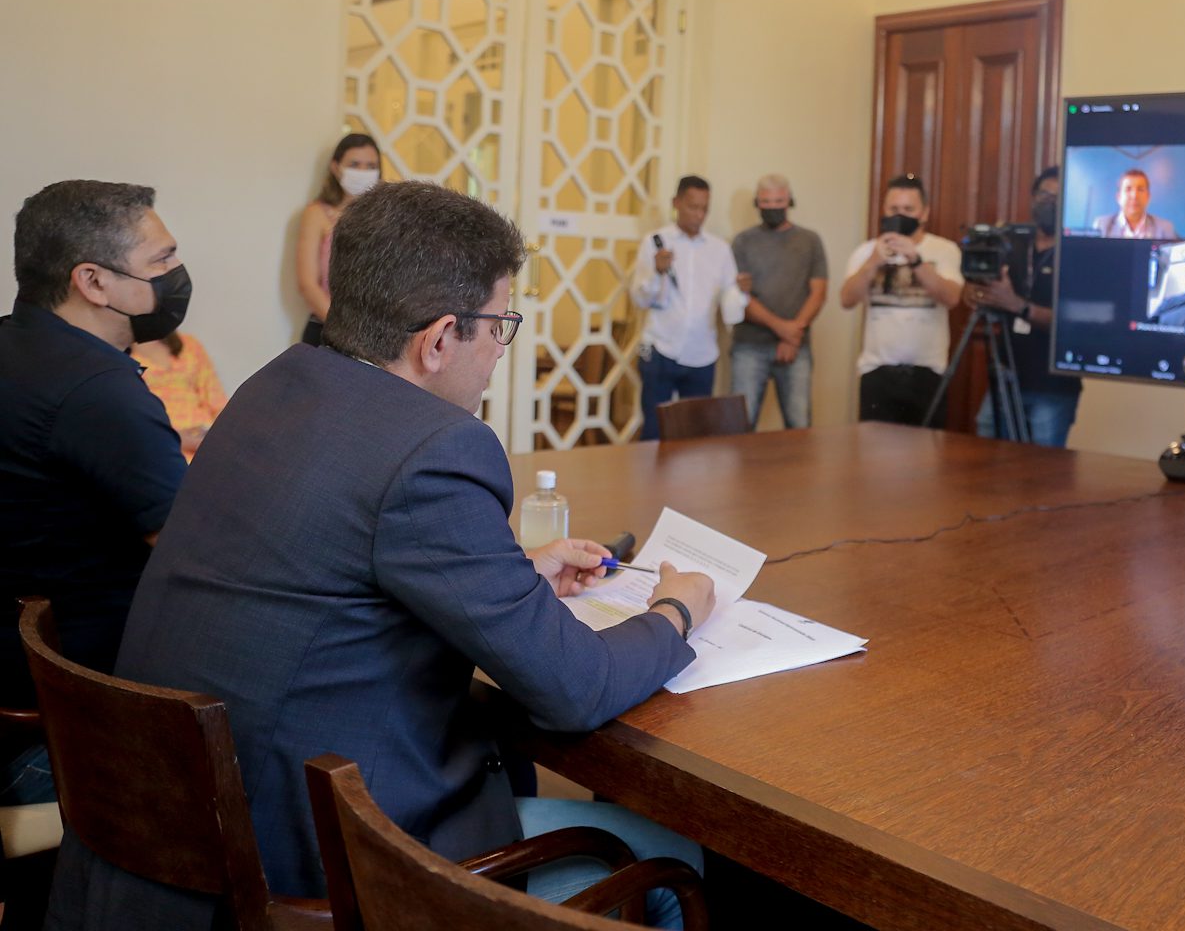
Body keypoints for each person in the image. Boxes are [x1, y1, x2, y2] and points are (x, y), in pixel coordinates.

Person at [48, 181, 717, 929]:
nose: (501, 349)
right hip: (318, 859)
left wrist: (516, 574)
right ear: (437, 340)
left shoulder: (276, 385)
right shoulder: (435, 450)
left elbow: (326, 565)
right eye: (501, 326)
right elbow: (574, 689)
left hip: (173, 831)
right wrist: (678, 607)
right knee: (674, 856)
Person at [0, 180, 188, 806]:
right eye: (160, 261)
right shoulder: (96, 392)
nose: (176, 276)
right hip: (70, 712)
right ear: (94, 281)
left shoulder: (13, 344)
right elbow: (190, 553)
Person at [963, 166, 1082, 447]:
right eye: (1043, 194)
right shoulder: (1012, 244)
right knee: (989, 447)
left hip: (1052, 385)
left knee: (1040, 470)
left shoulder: (1077, 253)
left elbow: (1071, 323)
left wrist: (1016, 305)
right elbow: (982, 284)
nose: (1049, 201)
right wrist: (975, 291)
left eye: (1057, 196)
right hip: (1006, 374)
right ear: (1032, 197)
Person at [630, 175, 748, 441]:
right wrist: (657, 273)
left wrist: (742, 293)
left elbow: (732, 306)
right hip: (661, 346)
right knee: (654, 430)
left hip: (702, 351)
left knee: (696, 434)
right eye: (692, 207)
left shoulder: (720, 250)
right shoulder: (655, 242)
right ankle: (650, 482)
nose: (698, 215)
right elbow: (640, 299)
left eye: (704, 208)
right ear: (676, 203)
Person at [840, 174, 964, 426]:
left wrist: (916, 260)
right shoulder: (866, 251)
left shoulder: (944, 250)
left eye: (909, 209)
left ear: (924, 213)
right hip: (877, 370)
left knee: (927, 456)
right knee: (874, 457)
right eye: (894, 209)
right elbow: (847, 299)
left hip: (928, 370)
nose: (901, 214)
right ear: (884, 210)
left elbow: (951, 298)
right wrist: (873, 262)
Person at [730, 175, 827, 429]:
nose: (773, 208)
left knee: (799, 425)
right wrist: (782, 329)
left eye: (778, 201)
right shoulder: (742, 242)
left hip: (796, 348)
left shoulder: (810, 241)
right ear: (757, 204)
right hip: (749, 346)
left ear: (789, 201)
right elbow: (741, 297)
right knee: (740, 425)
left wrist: (792, 335)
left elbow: (818, 292)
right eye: (766, 202)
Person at [296, 132, 382, 346]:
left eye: (371, 166)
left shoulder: (385, 217)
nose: (363, 171)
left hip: (375, 339)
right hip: (326, 331)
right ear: (336, 167)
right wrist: (347, 332)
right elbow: (308, 284)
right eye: (354, 164)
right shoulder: (317, 214)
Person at [132, 331, 229, 460]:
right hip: (159, 445)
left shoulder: (189, 345)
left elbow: (217, 401)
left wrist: (220, 437)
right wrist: (174, 438)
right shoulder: (120, 355)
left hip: (206, 441)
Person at [1091, 169, 1176, 239]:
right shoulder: (1101, 225)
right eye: (1128, 189)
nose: (1134, 195)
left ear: (1148, 197)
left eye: (1140, 189)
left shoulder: (1165, 228)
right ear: (1118, 197)